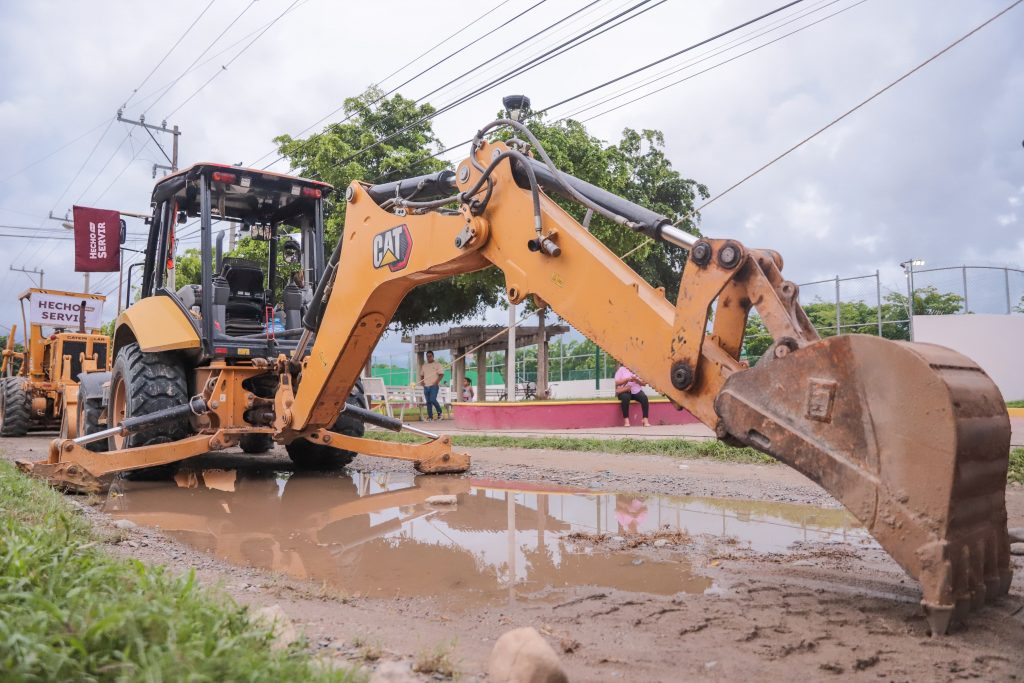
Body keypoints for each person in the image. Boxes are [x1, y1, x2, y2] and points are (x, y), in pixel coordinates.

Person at [418, 351, 445, 421]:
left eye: (430, 356)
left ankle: (440, 413)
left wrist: (436, 383)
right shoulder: (424, 366)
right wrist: (423, 383)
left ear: (433, 356)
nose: (428, 357)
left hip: (434, 386)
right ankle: (430, 417)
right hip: (426, 386)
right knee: (428, 402)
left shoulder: (437, 364)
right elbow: (421, 375)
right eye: (427, 356)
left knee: (432, 399)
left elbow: (441, 374)